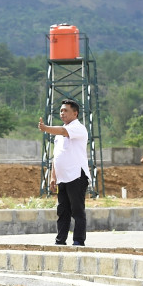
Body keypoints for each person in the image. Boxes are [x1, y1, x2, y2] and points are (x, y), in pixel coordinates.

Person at [39, 99, 89, 246]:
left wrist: (45, 128)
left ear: (75, 113)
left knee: (77, 210)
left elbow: (62, 131)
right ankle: (60, 241)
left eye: (65, 110)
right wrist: (53, 177)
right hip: (62, 178)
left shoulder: (78, 128)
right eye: (61, 110)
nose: (62, 113)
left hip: (76, 176)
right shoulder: (58, 134)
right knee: (62, 211)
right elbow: (56, 156)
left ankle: (78, 240)